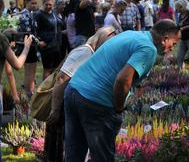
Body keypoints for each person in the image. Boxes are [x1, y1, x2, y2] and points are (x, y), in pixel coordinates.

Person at [64, 20, 180, 161]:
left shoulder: (132, 34)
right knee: (103, 157)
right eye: (173, 44)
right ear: (164, 40)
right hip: (96, 101)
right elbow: (123, 80)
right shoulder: (149, 49)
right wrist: (118, 109)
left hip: (74, 90)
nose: (172, 48)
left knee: (74, 153)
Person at [44, 26, 117, 162]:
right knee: (69, 149)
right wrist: (55, 109)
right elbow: (62, 78)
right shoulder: (85, 52)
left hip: (77, 101)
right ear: (101, 38)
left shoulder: (95, 53)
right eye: (109, 42)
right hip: (67, 102)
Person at [0, 29, 32, 160]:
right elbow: (16, 66)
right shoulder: (1, 39)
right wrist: (26, 47)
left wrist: (14, 94)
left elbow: (9, 71)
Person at [35, 0, 64, 79]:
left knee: (56, 68)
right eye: (46, 4)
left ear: (53, 4)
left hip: (56, 45)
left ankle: (52, 88)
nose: (48, 6)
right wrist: (39, 42)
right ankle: (44, 90)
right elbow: (35, 30)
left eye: (50, 5)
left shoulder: (53, 13)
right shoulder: (39, 14)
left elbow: (60, 24)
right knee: (47, 69)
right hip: (46, 46)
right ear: (43, 3)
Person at [18, 0, 38, 97]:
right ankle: (29, 92)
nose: (35, 5)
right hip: (27, 45)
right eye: (32, 3)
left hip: (31, 45)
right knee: (29, 70)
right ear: (26, 2)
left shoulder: (31, 13)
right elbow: (28, 32)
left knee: (32, 70)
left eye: (36, 3)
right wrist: (38, 41)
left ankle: (31, 90)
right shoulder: (24, 14)